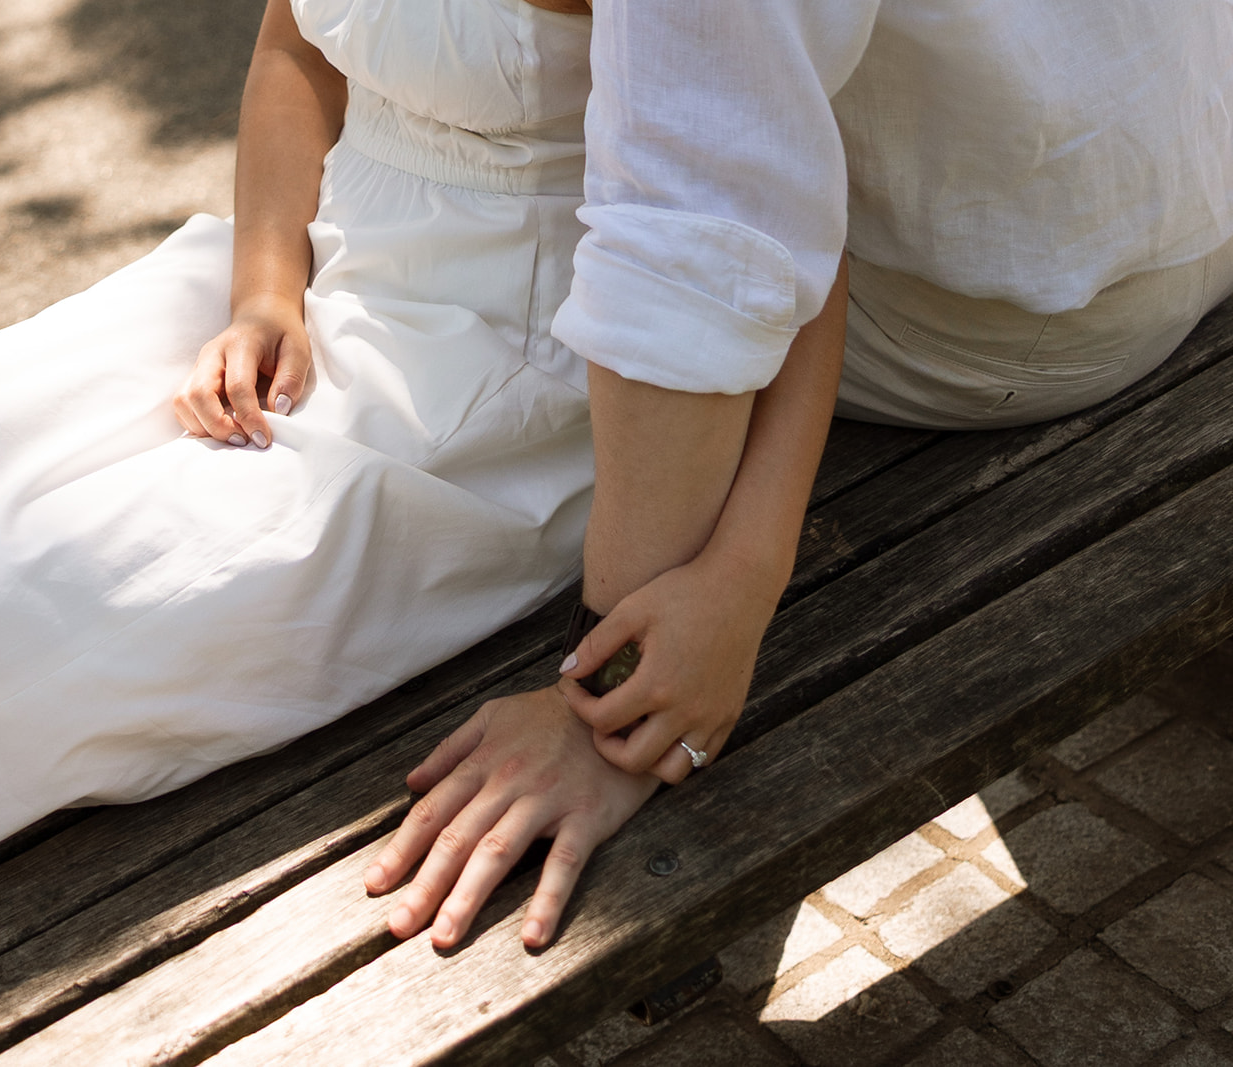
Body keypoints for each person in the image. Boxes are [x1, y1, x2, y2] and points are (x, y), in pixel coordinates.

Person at [0, 0, 844, 941]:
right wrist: (267, 288)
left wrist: (744, 572)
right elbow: (298, 42)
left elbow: (789, 246)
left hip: (501, 382)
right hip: (316, 266)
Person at [365, 0, 1233, 952]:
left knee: (624, 226)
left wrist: (613, 693)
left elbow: (702, 242)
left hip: (1006, 303)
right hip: (1187, 162)